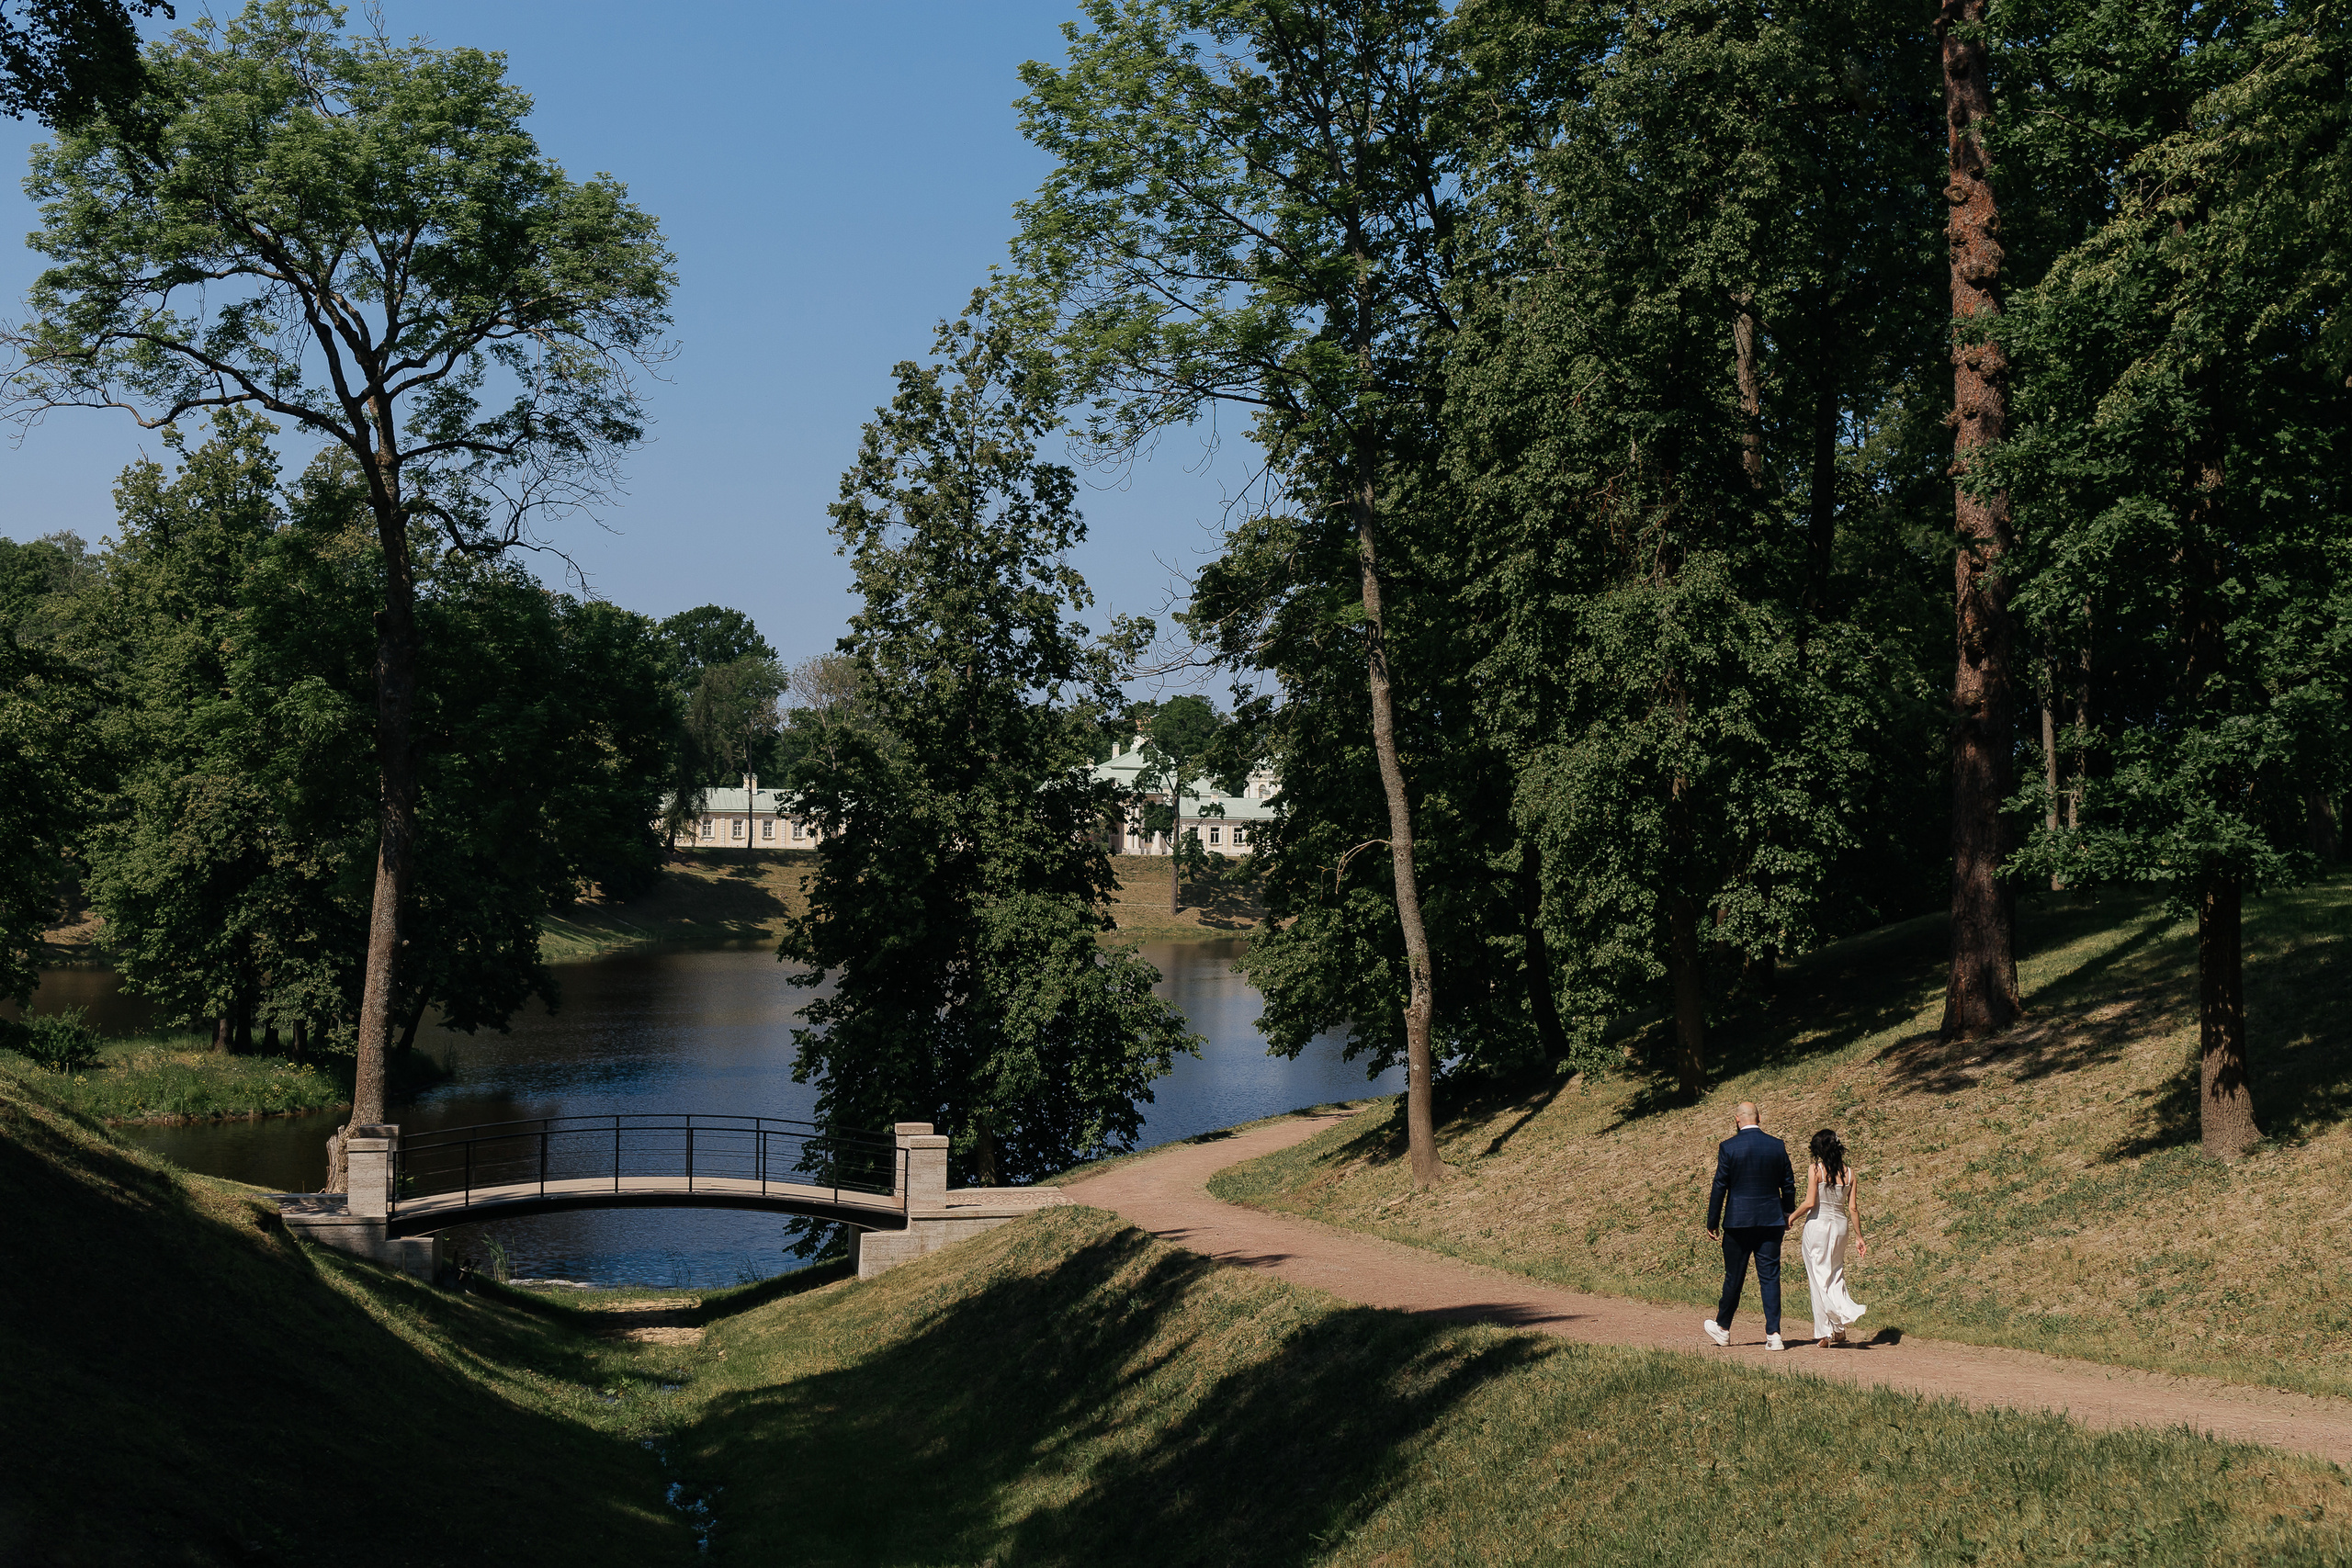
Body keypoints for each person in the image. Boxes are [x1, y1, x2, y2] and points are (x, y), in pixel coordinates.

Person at [1702, 1102, 1795, 1351]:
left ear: (1737, 1120)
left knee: (1734, 1276)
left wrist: (1712, 1221)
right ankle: (1774, 1334)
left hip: (1738, 1221)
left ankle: (1723, 1328)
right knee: (1770, 1277)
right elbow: (1788, 1183)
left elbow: (1719, 1186)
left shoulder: (1729, 1147)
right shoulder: (1777, 1146)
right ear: (1760, 1118)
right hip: (1770, 1219)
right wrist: (1788, 1211)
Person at [1794, 1128, 1870, 1346]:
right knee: (1835, 1274)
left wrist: (1791, 1218)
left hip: (1818, 1226)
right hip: (1840, 1227)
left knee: (1818, 1277)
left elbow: (1810, 1203)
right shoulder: (1849, 1173)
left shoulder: (1816, 1169)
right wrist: (1859, 1237)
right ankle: (1839, 1330)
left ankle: (1826, 1331)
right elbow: (1853, 1208)